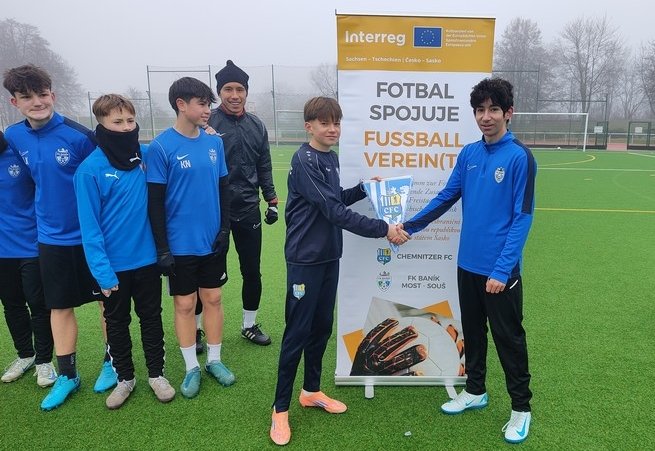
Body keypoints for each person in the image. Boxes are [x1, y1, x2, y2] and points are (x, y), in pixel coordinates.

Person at [395, 77, 537, 444]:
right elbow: (446, 196)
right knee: (473, 332)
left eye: (494, 110)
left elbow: (522, 217)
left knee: (509, 339)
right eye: (480, 110)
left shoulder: (520, 157)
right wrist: (410, 226)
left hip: (499, 271)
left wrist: (502, 269)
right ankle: (475, 391)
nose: (486, 117)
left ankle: (521, 409)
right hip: (467, 265)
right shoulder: (470, 154)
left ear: (508, 112)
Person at [269, 96, 408, 446]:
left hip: (330, 257)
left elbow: (334, 199)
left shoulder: (329, 158)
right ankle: (280, 409)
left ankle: (311, 391)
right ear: (309, 126)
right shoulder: (304, 160)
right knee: (297, 332)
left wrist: (363, 189)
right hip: (304, 260)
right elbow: (333, 211)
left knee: (321, 328)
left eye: (336, 123)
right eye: (325, 123)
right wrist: (383, 228)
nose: (332, 129)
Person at [2, 65, 117, 410]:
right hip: (50, 239)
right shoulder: (14, 137)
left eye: (42, 94)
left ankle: (113, 363)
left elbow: (109, 175)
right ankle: (68, 375)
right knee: (59, 307)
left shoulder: (80, 136)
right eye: (27, 97)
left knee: (106, 302)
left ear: (52, 95)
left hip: (91, 237)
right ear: (14, 102)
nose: (37, 102)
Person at [73, 94, 176, 409]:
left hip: (147, 260)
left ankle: (157, 375)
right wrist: (102, 272)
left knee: (151, 319)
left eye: (130, 120)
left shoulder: (147, 156)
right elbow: (90, 229)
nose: (126, 127)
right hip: (113, 267)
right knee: (117, 324)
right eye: (117, 121)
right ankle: (125, 379)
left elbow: (175, 148)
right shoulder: (89, 170)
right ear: (101, 124)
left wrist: (204, 131)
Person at [146, 77, 235, 399]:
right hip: (179, 244)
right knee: (185, 304)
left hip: (211, 241)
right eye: (201, 103)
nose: (207, 109)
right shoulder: (160, 147)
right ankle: (191, 367)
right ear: (181, 105)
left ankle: (214, 360)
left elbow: (223, 189)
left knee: (213, 298)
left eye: (208, 103)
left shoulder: (214, 144)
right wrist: (162, 248)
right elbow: (155, 202)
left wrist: (224, 230)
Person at [201, 60, 277, 346]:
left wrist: (271, 200)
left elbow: (264, 165)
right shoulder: (206, 123)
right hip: (214, 211)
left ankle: (249, 325)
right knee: (207, 274)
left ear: (246, 92)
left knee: (252, 270)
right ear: (219, 92)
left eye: (240, 89)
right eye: (228, 89)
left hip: (247, 208)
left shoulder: (257, 125)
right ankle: (197, 329)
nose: (234, 95)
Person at [0, 131, 56, 388]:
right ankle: (25, 355)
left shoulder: (19, 154)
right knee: (11, 304)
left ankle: (45, 361)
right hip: (2, 252)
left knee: (38, 304)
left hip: (31, 245)